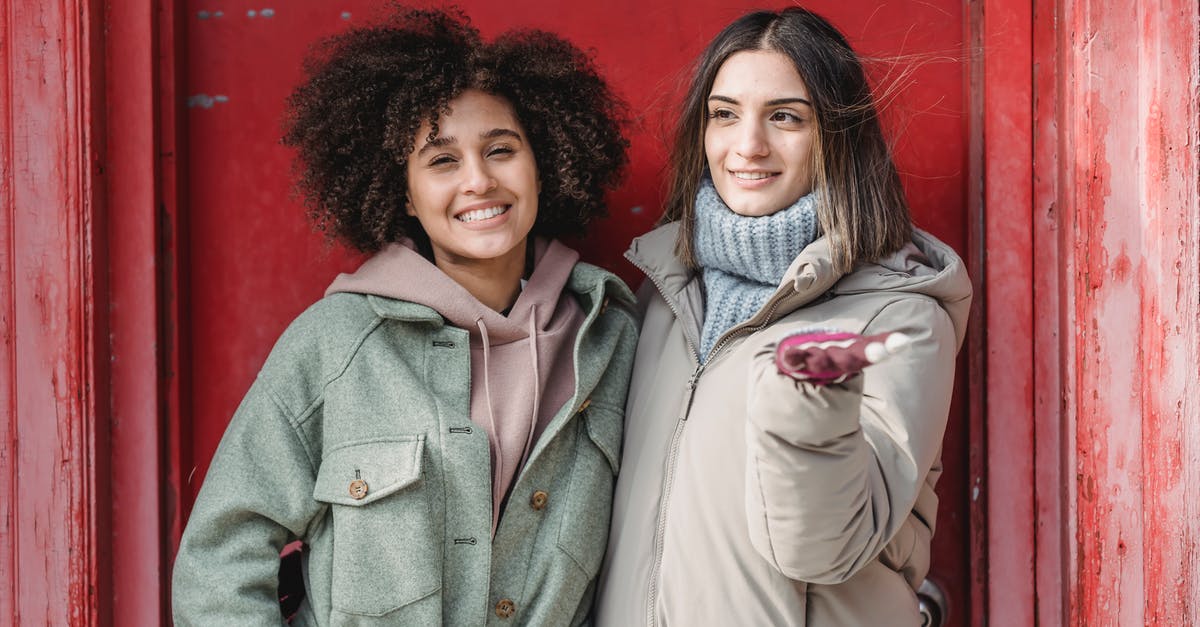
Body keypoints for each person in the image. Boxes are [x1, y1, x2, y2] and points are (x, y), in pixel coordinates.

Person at [172, 8, 638, 625]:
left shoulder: (610, 339)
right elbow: (219, 562)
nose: (478, 180)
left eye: (501, 150)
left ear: (544, 164)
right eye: (442, 160)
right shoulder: (334, 345)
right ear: (406, 192)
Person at [594, 7, 971, 626]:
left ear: (836, 135)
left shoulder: (897, 321)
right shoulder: (665, 293)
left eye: (785, 117)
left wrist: (802, 393)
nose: (748, 146)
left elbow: (827, 548)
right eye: (725, 114)